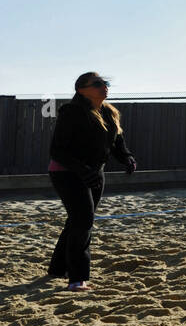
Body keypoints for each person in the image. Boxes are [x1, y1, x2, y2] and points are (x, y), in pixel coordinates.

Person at [47, 72, 137, 291]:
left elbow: (116, 144)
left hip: (95, 173)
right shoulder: (72, 112)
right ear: (81, 90)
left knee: (76, 220)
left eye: (105, 83)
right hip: (67, 172)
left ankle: (58, 268)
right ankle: (77, 279)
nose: (103, 87)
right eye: (97, 84)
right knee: (83, 221)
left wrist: (126, 158)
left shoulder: (109, 112)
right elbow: (57, 150)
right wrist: (83, 170)